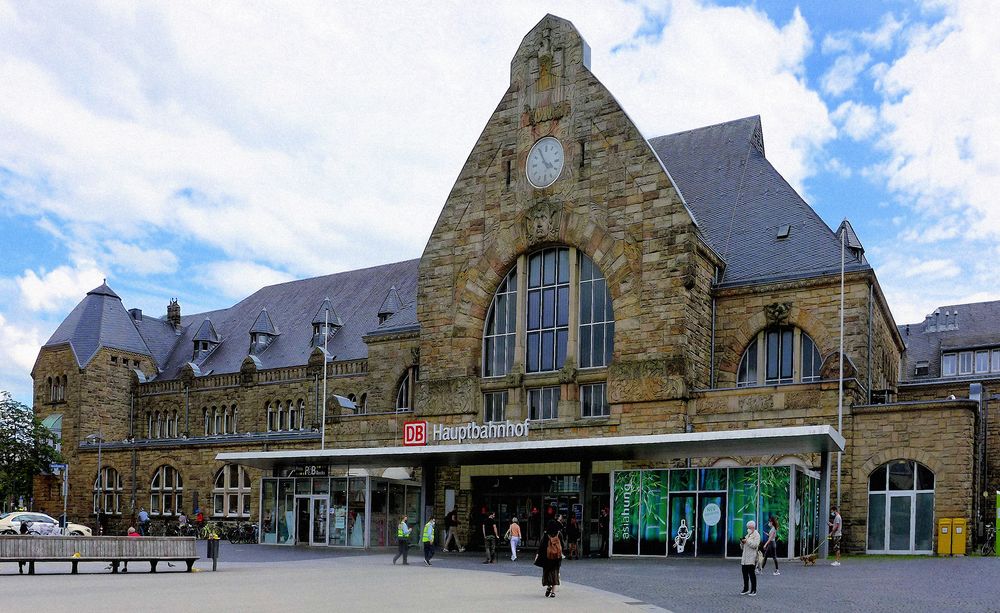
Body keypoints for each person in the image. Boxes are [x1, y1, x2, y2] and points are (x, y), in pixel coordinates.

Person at [535, 520, 563, 598]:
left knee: (547, 572)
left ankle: (548, 586)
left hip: (547, 557)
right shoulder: (559, 534)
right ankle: (553, 592)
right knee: (555, 573)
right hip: (557, 557)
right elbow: (562, 545)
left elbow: (541, 546)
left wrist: (538, 554)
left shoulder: (546, 534)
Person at [740, 521, 760, 596]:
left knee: (752, 574)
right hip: (744, 558)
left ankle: (753, 590)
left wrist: (747, 541)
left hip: (751, 558)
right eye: (747, 528)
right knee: (744, 574)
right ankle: (746, 588)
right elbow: (742, 547)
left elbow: (755, 545)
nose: (748, 529)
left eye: (749, 528)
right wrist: (742, 543)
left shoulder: (757, 535)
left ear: (753, 527)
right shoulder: (747, 535)